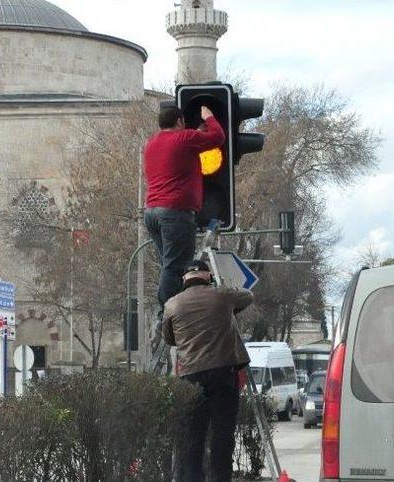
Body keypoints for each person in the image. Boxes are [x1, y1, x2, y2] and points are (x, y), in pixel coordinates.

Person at [163, 260, 253, 482]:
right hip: (223, 372)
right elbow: (247, 296)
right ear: (208, 276)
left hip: (190, 376)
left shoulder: (172, 304)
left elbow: (169, 338)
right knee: (222, 433)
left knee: (194, 435)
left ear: (184, 279)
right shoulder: (222, 295)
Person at [144, 105, 226, 320]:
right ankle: (168, 314)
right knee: (175, 267)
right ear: (180, 121)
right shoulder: (184, 139)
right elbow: (218, 137)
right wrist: (209, 117)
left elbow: (180, 150)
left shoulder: (151, 144)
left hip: (152, 212)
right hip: (175, 213)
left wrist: (197, 133)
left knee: (169, 266)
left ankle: (173, 311)